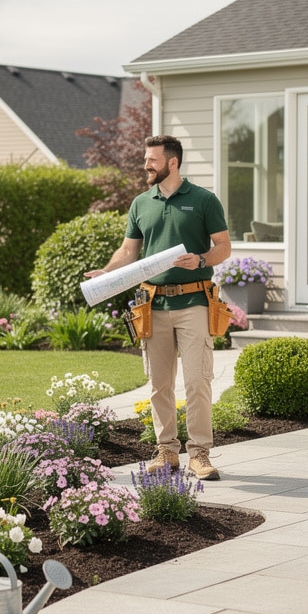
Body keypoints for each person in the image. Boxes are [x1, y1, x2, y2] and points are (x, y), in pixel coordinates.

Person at [86, 135, 231, 480]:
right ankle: (167, 450)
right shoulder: (141, 203)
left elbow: (223, 247)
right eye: (146, 160)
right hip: (153, 304)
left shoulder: (204, 200)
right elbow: (128, 250)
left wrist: (200, 259)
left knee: (198, 381)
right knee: (159, 385)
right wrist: (106, 273)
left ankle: (200, 455)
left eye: (152, 160)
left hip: (194, 301)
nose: (146, 165)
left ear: (173, 162)